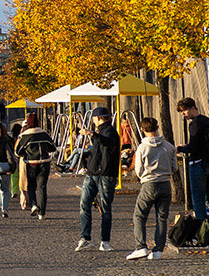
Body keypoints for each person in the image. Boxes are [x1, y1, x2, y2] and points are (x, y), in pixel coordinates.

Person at [128, 116, 174, 261]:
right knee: (162, 218)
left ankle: (141, 246)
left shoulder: (142, 147)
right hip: (165, 183)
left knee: (139, 215)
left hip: (149, 183)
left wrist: (144, 177)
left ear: (142, 129)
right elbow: (175, 167)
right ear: (157, 127)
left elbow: (138, 169)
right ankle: (158, 250)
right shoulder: (168, 146)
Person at [75, 106, 120, 252]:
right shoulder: (100, 132)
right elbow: (97, 151)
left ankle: (105, 241)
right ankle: (85, 238)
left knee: (105, 209)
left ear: (99, 118)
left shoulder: (111, 132)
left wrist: (92, 133)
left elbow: (107, 143)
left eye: (94, 118)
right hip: (92, 174)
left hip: (106, 175)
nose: (93, 121)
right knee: (84, 204)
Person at [15, 112, 56, 219]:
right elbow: (53, 148)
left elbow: (18, 152)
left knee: (31, 186)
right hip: (45, 163)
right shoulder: (44, 134)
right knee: (42, 188)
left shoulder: (25, 136)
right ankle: (42, 213)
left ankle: (33, 205)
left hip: (31, 163)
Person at [178, 98, 209, 220]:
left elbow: (193, 147)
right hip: (207, 162)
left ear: (192, 108)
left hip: (197, 163)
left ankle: (201, 230)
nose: (183, 114)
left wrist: (180, 148)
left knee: (198, 199)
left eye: (184, 110)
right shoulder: (206, 121)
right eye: (181, 112)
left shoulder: (194, 124)